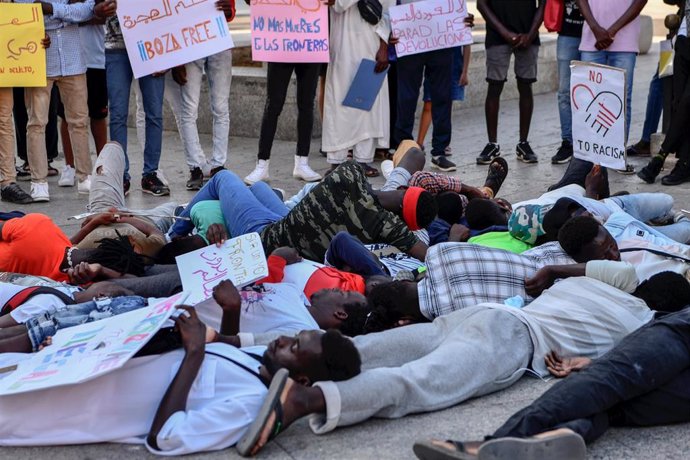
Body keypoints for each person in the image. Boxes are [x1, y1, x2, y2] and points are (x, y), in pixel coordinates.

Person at [236, 271, 687, 456]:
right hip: (512, 340)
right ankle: (304, 400)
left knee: (365, 347)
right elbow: (622, 373)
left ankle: (245, 344)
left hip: (480, 317)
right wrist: (582, 362)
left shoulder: (583, 285)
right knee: (417, 382)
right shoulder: (643, 323)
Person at [0, 307, 361, 456]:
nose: (281, 341)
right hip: (55, 368)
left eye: (294, 347)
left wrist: (194, 353)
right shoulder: (256, 358)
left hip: (54, 407)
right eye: (292, 336)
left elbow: (166, 438)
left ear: (300, 378)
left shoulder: (251, 405)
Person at [413, 286, 690, 460]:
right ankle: (541, 441)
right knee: (614, 401)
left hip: (680, 333)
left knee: (609, 383)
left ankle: (497, 445)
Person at [169, 161, 436, 262]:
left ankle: (172, 232)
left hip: (264, 239)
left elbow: (413, 155)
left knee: (223, 177)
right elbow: (427, 255)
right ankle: (231, 208)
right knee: (259, 187)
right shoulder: (389, 229)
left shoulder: (351, 173)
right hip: (285, 226)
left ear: (403, 192)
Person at [23, 0, 95, 201]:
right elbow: (26, 11)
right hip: (38, 58)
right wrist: (65, 15)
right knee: (36, 123)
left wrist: (52, 9)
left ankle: (84, 176)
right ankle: (38, 181)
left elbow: (87, 10)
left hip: (74, 61)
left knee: (79, 122)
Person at [243, 3, 323, 185]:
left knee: (306, 103)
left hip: (309, 36)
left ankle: (302, 162)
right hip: (280, 39)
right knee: (274, 104)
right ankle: (262, 164)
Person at [96, 0, 169, 196]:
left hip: (153, 45)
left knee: (154, 113)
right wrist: (101, 7)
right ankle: (121, 175)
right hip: (116, 47)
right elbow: (94, 6)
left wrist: (169, 52)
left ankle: (150, 174)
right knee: (118, 113)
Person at [165, 0, 235, 190]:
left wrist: (228, 11)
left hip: (218, 38)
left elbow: (230, 8)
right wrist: (177, 57)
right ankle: (195, 167)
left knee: (221, 106)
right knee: (189, 109)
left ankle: (218, 165)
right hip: (190, 41)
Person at [322, 0, 394, 177]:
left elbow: (387, 12)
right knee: (338, 101)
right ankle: (336, 160)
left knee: (367, 103)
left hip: (371, 43)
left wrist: (384, 47)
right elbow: (337, 5)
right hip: (341, 45)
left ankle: (363, 160)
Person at [476, 0, 545, 165]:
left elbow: (544, 4)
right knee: (494, 86)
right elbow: (481, 4)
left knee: (525, 86)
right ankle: (492, 144)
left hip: (528, 34)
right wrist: (505, 33)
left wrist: (531, 33)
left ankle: (523, 143)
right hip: (497, 36)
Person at [637, 1, 690, 185]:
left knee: (686, 103)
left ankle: (660, 158)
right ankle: (684, 164)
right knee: (677, 104)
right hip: (683, 39)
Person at [57, 21, 109, 188]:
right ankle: (70, 166)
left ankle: (102, 166)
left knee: (99, 114)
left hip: (94, 59)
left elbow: (100, 12)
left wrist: (72, 14)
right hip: (65, 60)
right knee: (66, 116)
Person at [415, 45, 471, 164]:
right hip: (436, 61)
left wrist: (465, 71)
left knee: (444, 105)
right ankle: (420, 142)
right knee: (429, 103)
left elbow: (466, 43)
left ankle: (441, 144)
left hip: (453, 64)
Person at [551, 0, 585, 164]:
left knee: (590, 92)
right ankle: (568, 142)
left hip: (594, 34)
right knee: (564, 92)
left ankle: (589, 142)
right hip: (567, 33)